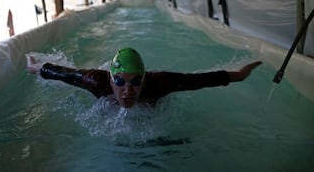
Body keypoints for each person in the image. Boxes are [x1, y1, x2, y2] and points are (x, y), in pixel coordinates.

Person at [26, 47, 262, 108]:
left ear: (144, 80)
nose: (127, 90)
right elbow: (64, 74)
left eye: (135, 82)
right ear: (110, 79)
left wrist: (240, 75)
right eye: (119, 81)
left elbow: (198, 80)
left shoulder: (159, 84)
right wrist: (35, 67)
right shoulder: (96, 81)